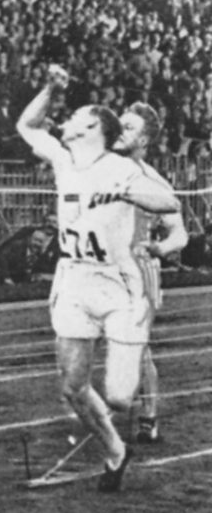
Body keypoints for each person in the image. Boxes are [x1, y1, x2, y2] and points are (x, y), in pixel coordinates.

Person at [16, 65, 180, 492]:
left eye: (76, 117)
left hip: (117, 282)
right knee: (73, 387)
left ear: (93, 130)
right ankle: (115, 450)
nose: (67, 121)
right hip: (74, 279)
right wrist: (51, 89)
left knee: (121, 396)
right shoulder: (64, 159)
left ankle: (136, 415)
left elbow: (168, 202)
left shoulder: (122, 169)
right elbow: (27, 126)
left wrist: (126, 192)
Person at [114, 102, 189, 445]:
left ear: (144, 140)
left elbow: (179, 233)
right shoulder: (99, 170)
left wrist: (160, 248)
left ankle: (149, 417)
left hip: (138, 268)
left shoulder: (153, 182)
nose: (119, 131)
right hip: (101, 267)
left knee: (136, 347)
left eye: (128, 127)